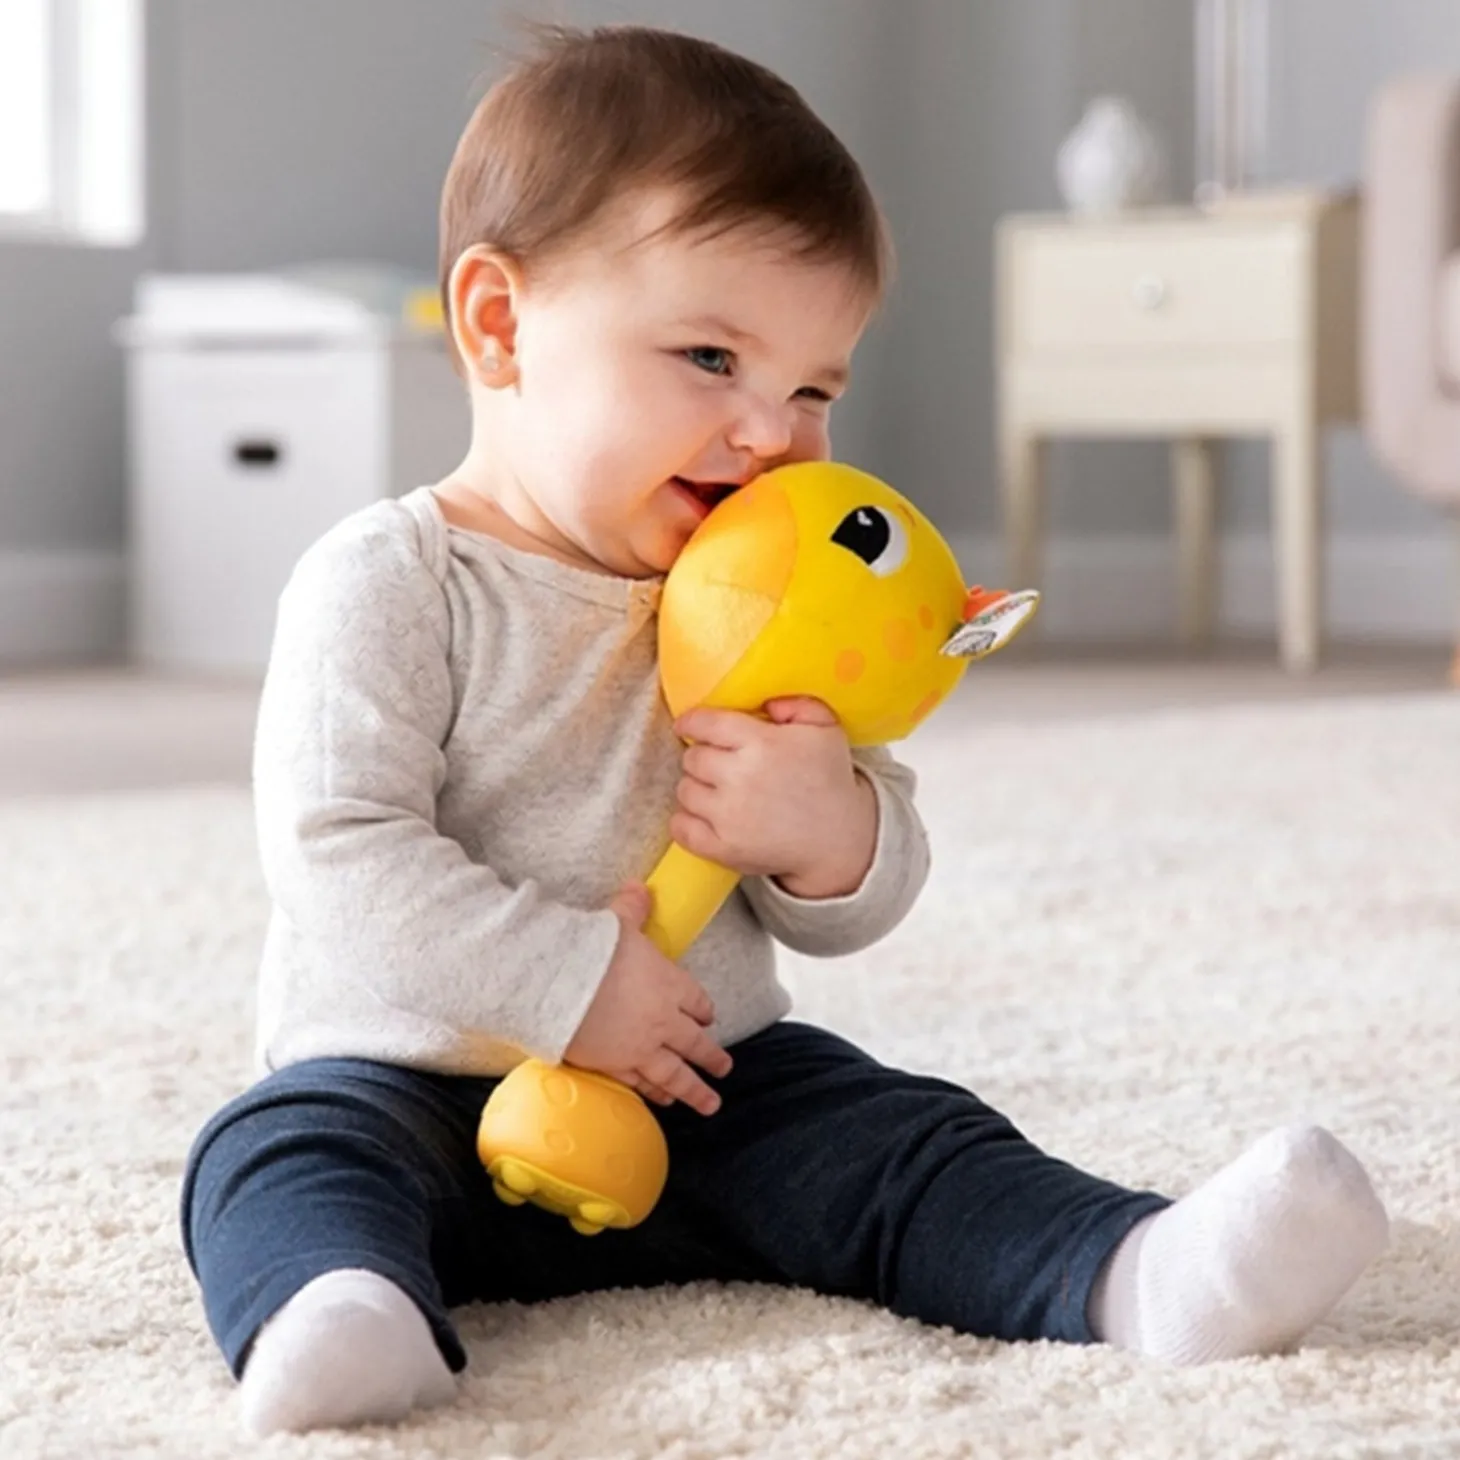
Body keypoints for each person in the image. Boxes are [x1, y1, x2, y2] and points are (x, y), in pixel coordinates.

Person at [179, 25, 1389, 1438]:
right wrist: (570, 984)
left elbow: (854, 903)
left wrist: (834, 830)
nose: (775, 434)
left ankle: (1133, 1270)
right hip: (417, 1086)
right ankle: (347, 1310)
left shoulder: (775, 593)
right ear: (500, 325)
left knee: (900, 1135)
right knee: (271, 1155)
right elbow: (339, 855)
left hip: (709, 1090)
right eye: (711, 357)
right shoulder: (393, 579)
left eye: (815, 388)